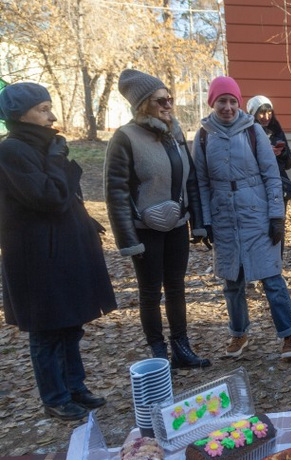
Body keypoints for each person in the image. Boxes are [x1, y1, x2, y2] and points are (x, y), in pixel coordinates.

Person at [0, 82, 117, 420]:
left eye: (49, 107)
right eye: (43, 109)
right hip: (36, 257)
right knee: (47, 328)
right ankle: (54, 396)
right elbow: (48, 197)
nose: (51, 116)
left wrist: (84, 222)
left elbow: (65, 196)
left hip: (62, 248)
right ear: (20, 115)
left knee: (70, 322)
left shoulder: (44, 145)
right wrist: (55, 160)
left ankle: (75, 387)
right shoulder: (13, 151)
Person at [105, 69, 210, 369]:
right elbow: (116, 192)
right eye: (159, 100)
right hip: (145, 231)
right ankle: (158, 352)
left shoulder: (175, 133)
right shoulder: (125, 138)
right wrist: (128, 240)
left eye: (170, 98)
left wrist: (197, 222)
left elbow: (191, 181)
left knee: (176, 287)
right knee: (150, 292)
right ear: (142, 105)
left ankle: (181, 347)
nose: (168, 105)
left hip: (176, 226)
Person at [193, 76, 291, 359]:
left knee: (271, 277)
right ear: (212, 103)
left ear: (239, 103)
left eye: (232, 101)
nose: (227, 107)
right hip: (223, 216)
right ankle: (238, 333)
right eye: (222, 101)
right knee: (232, 281)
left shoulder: (253, 131)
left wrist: (276, 215)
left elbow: (271, 175)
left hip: (256, 213)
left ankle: (290, 333)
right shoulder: (204, 135)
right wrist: (205, 222)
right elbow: (201, 182)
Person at [246, 95, 291, 257]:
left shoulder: (276, 129)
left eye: (269, 112)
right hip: (256, 189)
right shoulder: (247, 132)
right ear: (253, 113)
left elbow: (289, 163)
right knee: (257, 228)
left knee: (278, 228)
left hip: (278, 189)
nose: (266, 117)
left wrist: (281, 153)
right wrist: (265, 154)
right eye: (261, 113)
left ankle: (276, 263)